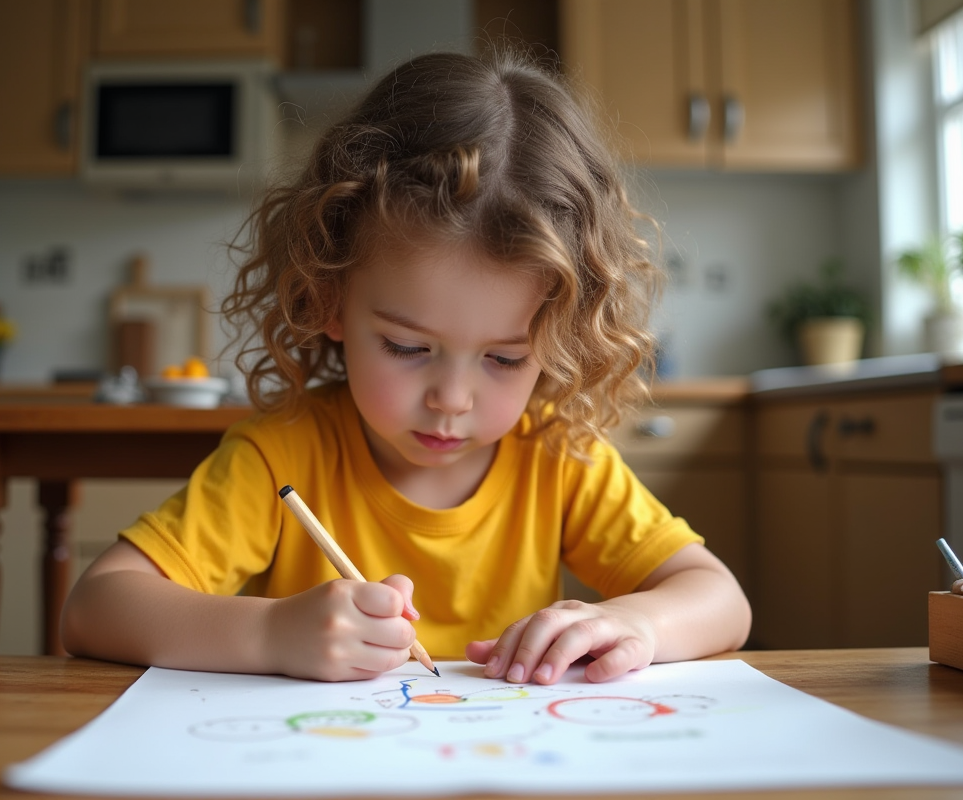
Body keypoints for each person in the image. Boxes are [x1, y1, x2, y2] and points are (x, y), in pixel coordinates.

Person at [61, 48, 751, 685]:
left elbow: (721, 599)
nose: (452, 399)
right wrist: (270, 633)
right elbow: (95, 607)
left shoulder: (557, 456)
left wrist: (638, 622)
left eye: (505, 359)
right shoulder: (283, 456)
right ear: (327, 297)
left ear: (560, 339)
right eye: (408, 347)